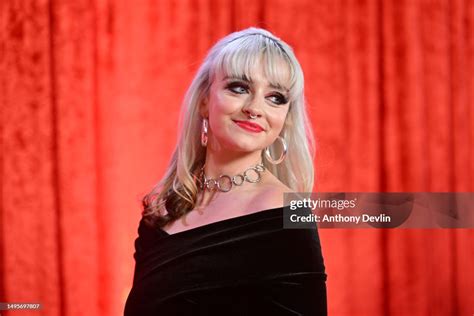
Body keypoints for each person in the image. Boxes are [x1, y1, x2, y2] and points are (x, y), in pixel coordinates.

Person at [124, 27, 327, 315]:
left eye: (276, 97)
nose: (255, 108)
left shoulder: (285, 211)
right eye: (240, 88)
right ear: (205, 100)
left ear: (285, 119)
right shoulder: (163, 211)